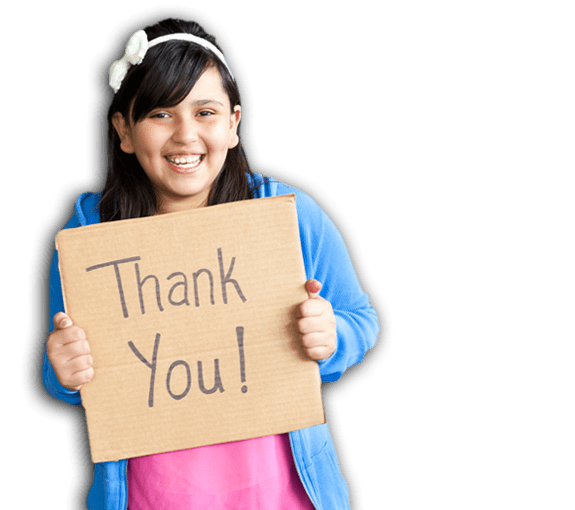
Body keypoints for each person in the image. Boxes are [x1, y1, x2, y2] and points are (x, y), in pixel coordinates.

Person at [42, 18, 380, 510]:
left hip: (283, 497)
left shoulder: (290, 214)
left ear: (233, 124)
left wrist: (332, 338)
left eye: (205, 112)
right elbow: (68, 378)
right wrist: (64, 372)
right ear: (124, 130)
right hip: (148, 498)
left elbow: (360, 322)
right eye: (160, 113)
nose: (185, 135)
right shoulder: (87, 238)